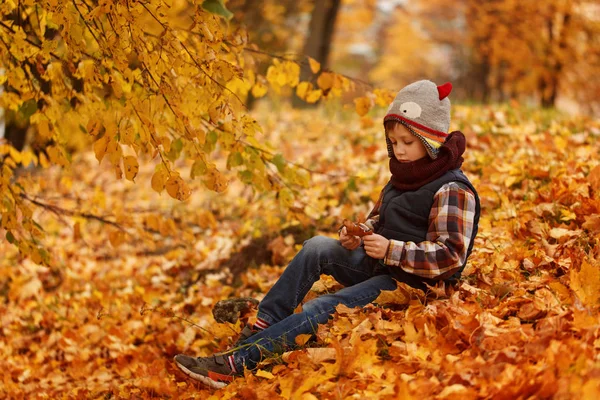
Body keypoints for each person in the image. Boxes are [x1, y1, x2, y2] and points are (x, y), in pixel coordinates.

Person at [173, 80, 481, 389]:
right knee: (317, 247)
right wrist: (360, 234)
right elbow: (380, 219)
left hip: (412, 285)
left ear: (430, 141)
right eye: (394, 141)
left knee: (325, 306)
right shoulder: (406, 172)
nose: (398, 150)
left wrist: (391, 250)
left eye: (407, 142)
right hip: (383, 264)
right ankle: (257, 331)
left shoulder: (452, 188)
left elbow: (451, 257)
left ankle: (236, 364)